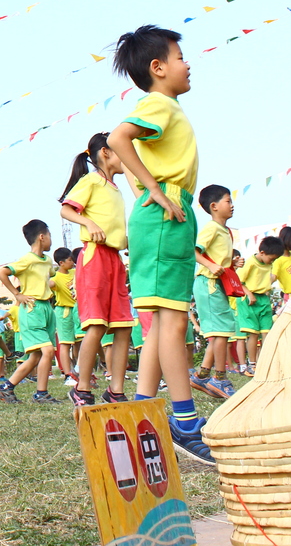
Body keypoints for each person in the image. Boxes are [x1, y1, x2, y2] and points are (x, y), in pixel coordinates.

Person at [105, 25, 213, 465]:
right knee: (171, 323)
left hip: (171, 213)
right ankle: (185, 422)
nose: (188, 63)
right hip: (165, 214)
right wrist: (154, 189)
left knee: (160, 324)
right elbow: (117, 138)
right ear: (158, 67)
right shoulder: (158, 105)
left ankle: (144, 413)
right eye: (181, 56)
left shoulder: (166, 107)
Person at [59, 131, 135, 406]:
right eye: (121, 150)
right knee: (96, 325)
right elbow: (66, 209)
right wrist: (88, 224)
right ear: (105, 152)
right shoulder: (91, 180)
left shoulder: (116, 188)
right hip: (94, 259)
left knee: (124, 325)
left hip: (115, 260)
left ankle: (115, 389)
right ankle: (81, 387)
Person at [0, 221, 60, 403]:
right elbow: (2, 272)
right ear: (41, 236)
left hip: (47, 308)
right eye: (49, 235)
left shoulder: (47, 261)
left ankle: (6, 387)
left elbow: (49, 278)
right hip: (32, 309)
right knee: (47, 352)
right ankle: (41, 394)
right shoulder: (27, 260)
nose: (51, 240)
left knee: (36, 355)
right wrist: (17, 294)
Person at [189, 185, 237, 399]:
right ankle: (219, 378)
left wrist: (233, 262)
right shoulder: (211, 228)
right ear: (214, 206)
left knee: (221, 331)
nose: (232, 205)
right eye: (228, 201)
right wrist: (210, 266)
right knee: (220, 331)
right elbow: (193, 250)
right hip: (208, 283)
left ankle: (202, 375)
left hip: (218, 284)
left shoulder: (225, 230)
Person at [49, 249, 78, 387]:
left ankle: (80, 371)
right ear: (61, 263)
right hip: (64, 311)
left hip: (78, 310)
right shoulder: (55, 279)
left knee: (80, 342)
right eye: (70, 260)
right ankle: (68, 374)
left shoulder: (75, 273)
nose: (72, 263)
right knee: (65, 344)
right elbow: (48, 285)